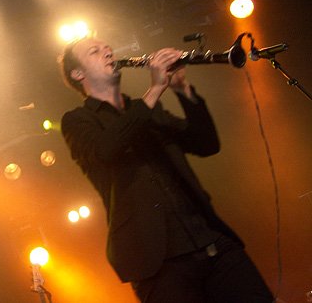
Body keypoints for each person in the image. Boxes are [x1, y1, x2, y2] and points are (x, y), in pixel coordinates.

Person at [58, 36, 274, 303]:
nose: (108, 51)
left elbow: (207, 144)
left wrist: (182, 89)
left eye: (107, 47)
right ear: (77, 73)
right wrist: (155, 89)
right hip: (157, 264)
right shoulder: (77, 121)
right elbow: (105, 149)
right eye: (95, 51)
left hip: (210, 240)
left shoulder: (150, 109)